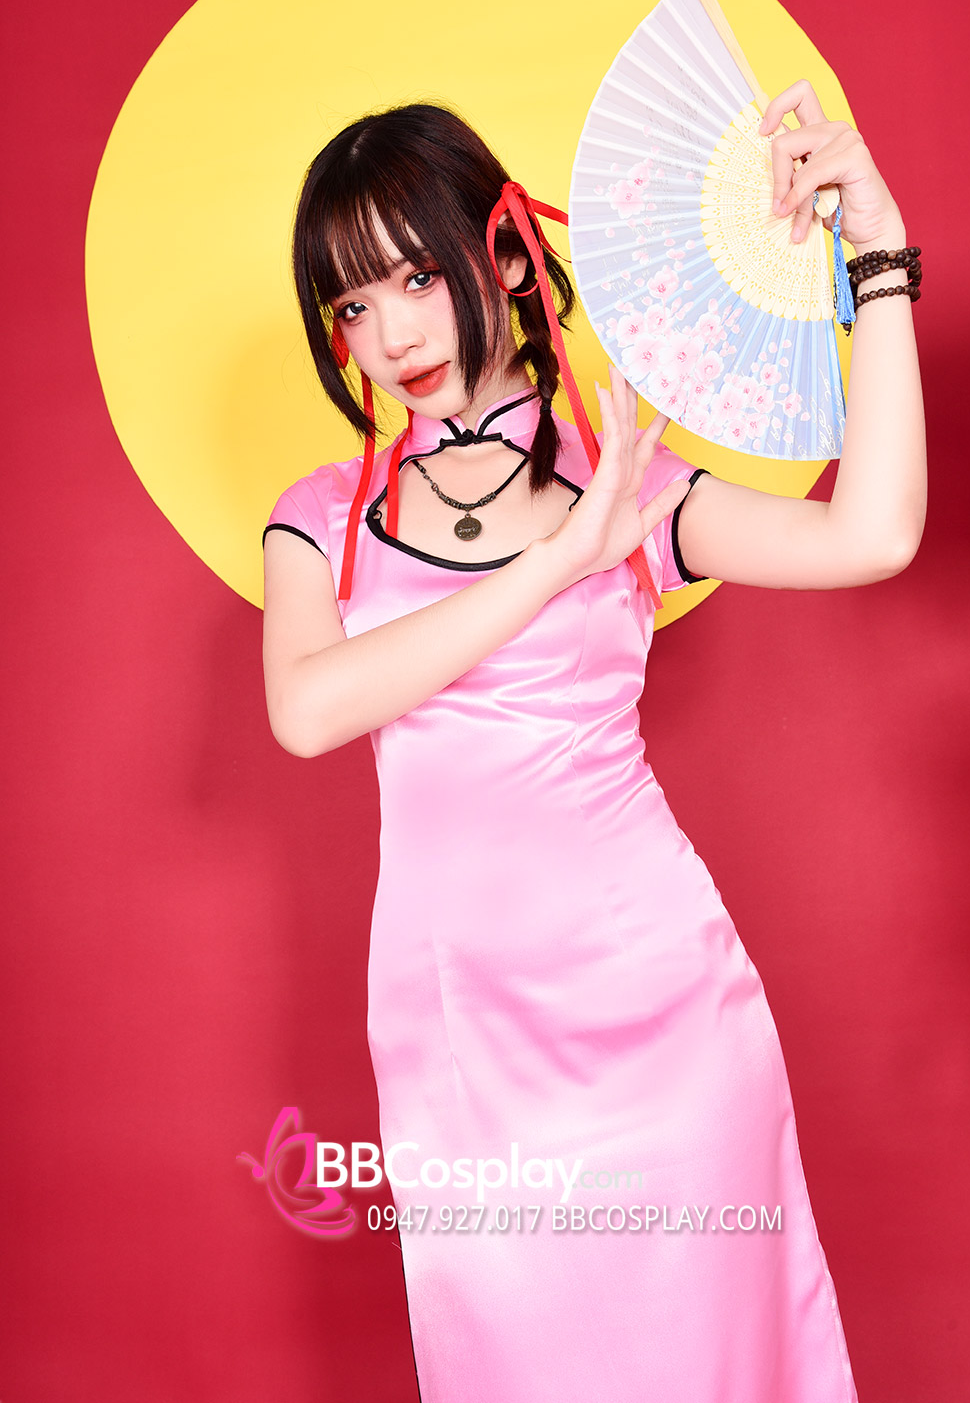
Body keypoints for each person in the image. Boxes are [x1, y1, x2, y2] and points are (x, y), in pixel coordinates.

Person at [261, 81, 925, 1402]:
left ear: (508, 257)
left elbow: (876, 534)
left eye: (415, 276)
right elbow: (311, 709)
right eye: (353, 303)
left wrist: (880, 252)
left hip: (660, 1015)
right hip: (462, 1033)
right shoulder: (326, 515)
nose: (391, 333)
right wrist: (564, 558)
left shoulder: (628, 484)